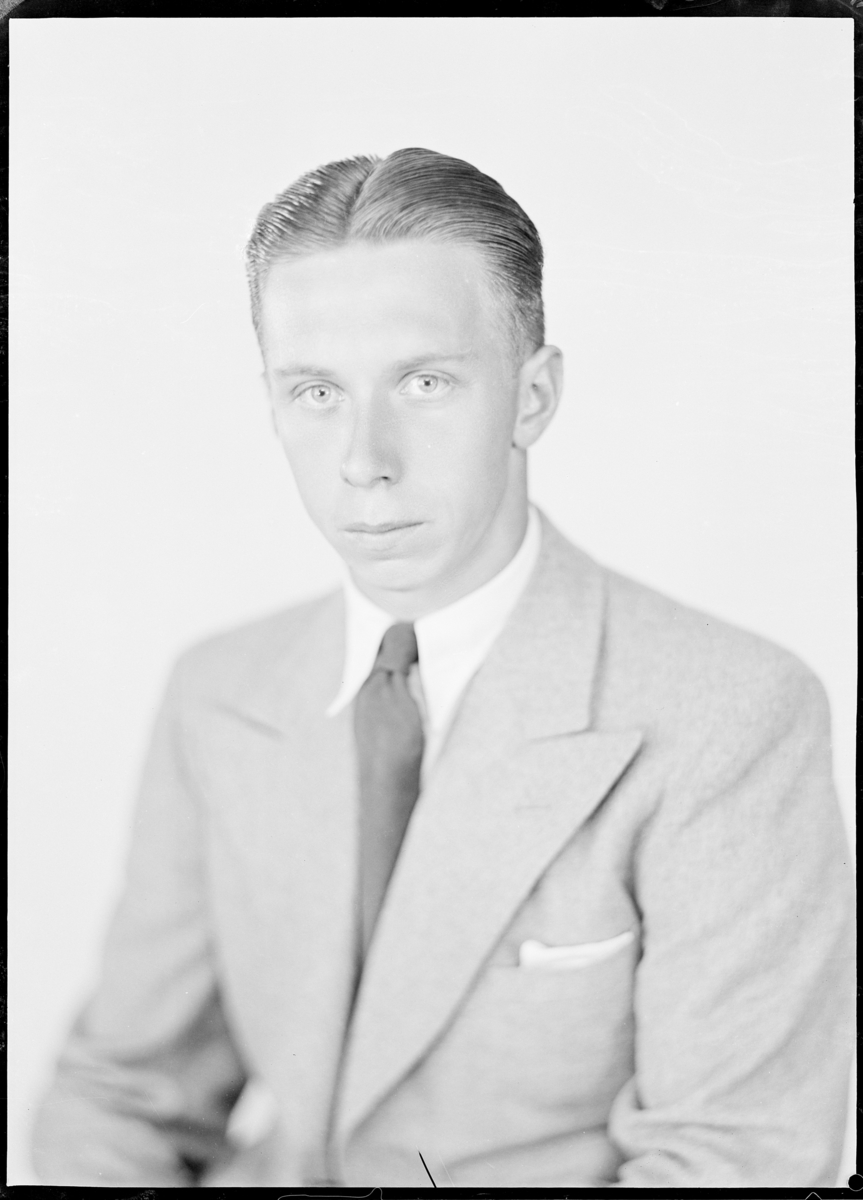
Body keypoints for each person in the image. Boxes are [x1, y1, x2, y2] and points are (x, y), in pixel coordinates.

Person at [32, 148, 854, 1189]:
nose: (363, 460)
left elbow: (734, 1161)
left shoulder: (732, 714)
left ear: (531, 396)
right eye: (316, 391)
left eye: (424, 383)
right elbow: (119, 1093)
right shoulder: (218, 690)